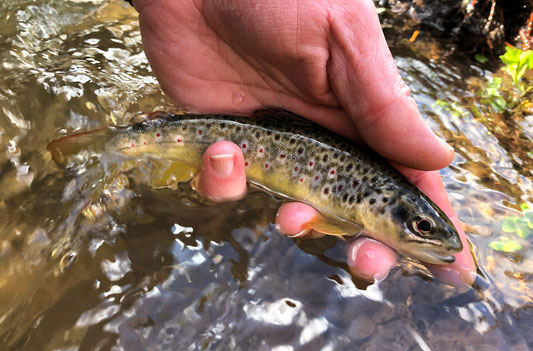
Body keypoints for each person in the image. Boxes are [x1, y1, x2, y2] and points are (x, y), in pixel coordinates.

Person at [126, 0, 476, 286]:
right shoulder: (355, 211)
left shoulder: (356, 212)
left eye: (424, 226)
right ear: (381, 203)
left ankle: (126, 145)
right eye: (422, 227)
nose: (427, 235)